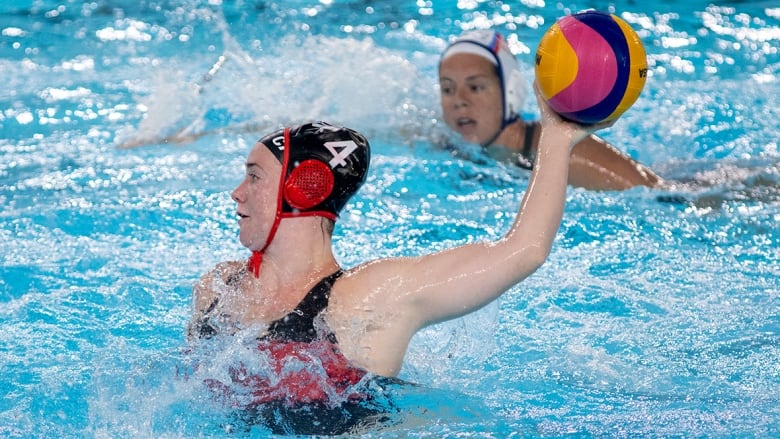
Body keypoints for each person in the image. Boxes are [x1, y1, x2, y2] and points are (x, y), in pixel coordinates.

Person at [187, 94, 611, 433]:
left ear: (305, 187)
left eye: (254, 176)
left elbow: (523, 251)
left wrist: (556, 137)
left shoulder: (364, 300)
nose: (236, 192)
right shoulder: (218, 290)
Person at [439, 29, 662, 191]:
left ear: (511, 90)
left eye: (475, 87)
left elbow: (662, 195)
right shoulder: (446, 146)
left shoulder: (567, 150)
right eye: (447, 88)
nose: (459, 100)